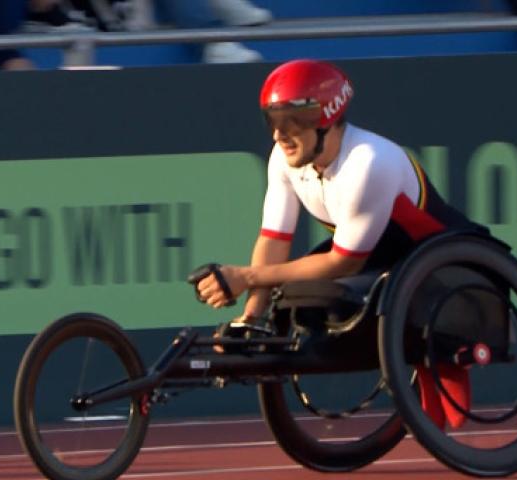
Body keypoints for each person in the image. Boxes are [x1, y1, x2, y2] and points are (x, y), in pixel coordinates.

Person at [196, 59, 489, 430]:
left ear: (327, 117)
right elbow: (274, 238)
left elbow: (343, 264)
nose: (279, 136)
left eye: (291, 123)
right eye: (273, 121)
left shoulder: (367, 162)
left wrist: (244, 276)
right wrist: (250, 318)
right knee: (300, 295)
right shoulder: (284, 160)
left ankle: (443, 352)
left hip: (434, 256)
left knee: (327, 281)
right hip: (373, 255)